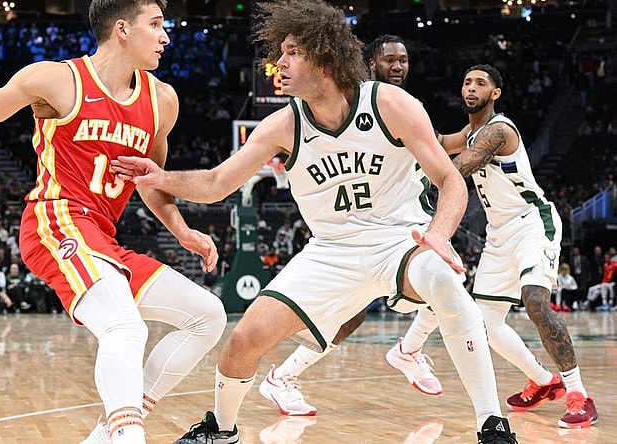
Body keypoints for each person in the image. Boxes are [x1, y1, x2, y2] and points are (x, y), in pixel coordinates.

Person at [112, 2, 515, 442]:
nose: (279, 64)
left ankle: (492, 425)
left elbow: (450, 180)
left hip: (399, 241)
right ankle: (221, 430)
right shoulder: (282, 125)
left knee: (443, 280)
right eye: (280, 53)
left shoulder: (389, 103)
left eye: (291, 53)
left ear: (323, 57)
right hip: (330, 253)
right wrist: (160, 176)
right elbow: (215, 183)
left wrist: (438, 234)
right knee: (243, 341)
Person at [0, 1, 227, 442]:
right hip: (55, 221)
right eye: (155, 25)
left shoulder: (163, 100)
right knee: (124, 327)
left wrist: (183, 231)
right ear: (122, 29)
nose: (165, 36)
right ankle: (126, 435)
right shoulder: (55, 80)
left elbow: (150, 180)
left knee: (207, 316)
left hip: (102, 240)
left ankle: (110, 432)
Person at [387, 64, 598, 429]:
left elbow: (459, 167)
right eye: (467, 82)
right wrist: (401, 119)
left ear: (495, 93)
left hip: (531, 221)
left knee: (535, 300)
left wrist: (415, 184)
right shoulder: (470, 132)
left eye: (480, 83)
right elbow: (437, 141)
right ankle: (542, 381)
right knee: (486, 322)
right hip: (498, 234)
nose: (471, 88)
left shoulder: (499, 130)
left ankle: (579, 394)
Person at [258, 33, 436, 417]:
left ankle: (409, 349)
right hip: (345, 233)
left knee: (445, 280)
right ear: (370, 64)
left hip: (399, 226)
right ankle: (283, 376)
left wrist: (472, 143)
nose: (398, 66)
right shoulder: (345, 104)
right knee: (347, 316)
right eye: (389, 59)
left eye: (403, 59)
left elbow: (437, 147)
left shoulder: (401, 105)